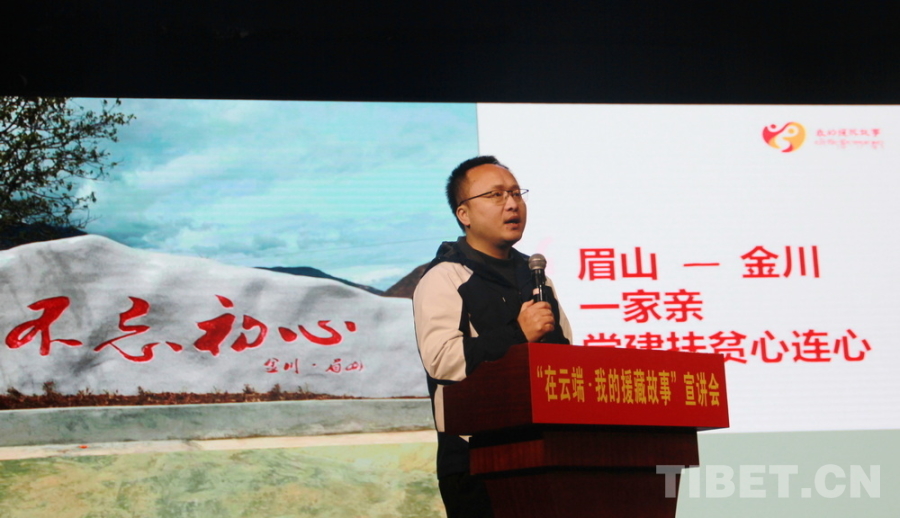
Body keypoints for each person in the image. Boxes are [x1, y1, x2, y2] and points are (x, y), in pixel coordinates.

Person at [413, 156, 572, 517]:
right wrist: (518, 333)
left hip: (549, 452)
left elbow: (564, 358)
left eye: (516, 193)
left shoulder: (537, 278)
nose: (512, 204)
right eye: (496, 195)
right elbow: (443, 361)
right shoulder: (445, 277)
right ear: (464, 213)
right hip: (477, 462)